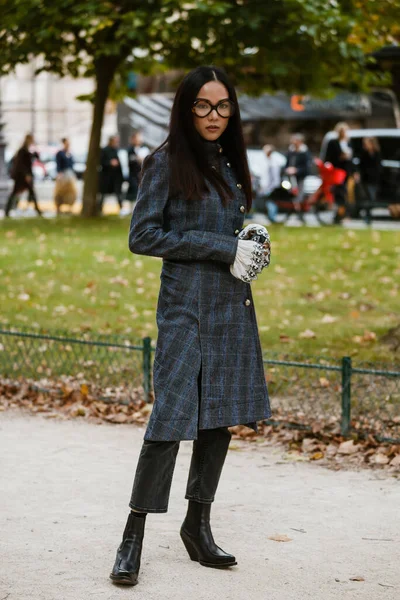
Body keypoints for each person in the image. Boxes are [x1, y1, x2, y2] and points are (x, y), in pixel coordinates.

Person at [110, 65, 271, 587]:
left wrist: (249, 240)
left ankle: (197, 526)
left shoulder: (229, 161)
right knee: (171, 417)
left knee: (217, 417)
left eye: (223, 106)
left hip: (229, 306)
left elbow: (228, 231)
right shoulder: (164, 162)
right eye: (203, 105)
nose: (214, 116)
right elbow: (143, 236)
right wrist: (223, 247)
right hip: (184, 309)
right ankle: (132, 534)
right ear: (185, 107)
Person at [5, 133, 42, 217]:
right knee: (15, 193)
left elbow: (36, 157)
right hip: (22, 177)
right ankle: (7, 210)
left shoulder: (27, 151)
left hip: (25, 176)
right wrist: (26, 175)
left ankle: (38, 210)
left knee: (31, 193)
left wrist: (35, 149)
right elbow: (21, 165)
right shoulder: (22, 151)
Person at [325, 122, 353, 223]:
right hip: (337, 173)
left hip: (346, 173)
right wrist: (340, 158)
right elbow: (328, 158)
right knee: (339, 193)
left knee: (346, 194)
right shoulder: (333, 143)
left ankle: (341, 214)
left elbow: (352, 159)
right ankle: (339, 214)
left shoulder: (349, 143)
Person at [284, 133, 312, 223]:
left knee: (299, 196)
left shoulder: (304, 152)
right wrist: (287, 170)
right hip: (290, 177)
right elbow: (287, 164)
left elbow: (307, 167)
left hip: (300, 178)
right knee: (290, 195)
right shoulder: (290, 151)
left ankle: (300, 214)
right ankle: (290, 212)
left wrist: (296, 170)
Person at [357, 137, 381, 225]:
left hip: (374, 179)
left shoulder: (377, 153)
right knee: (367, 198)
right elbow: (361, 166)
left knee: (372, 198)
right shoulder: (364, 154)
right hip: (366, 179)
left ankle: (368, 215)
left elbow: (379, 166)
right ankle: (368, 216)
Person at [259, 144, 284, 223]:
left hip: (271, 187)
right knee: (268, 202)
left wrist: (270, 188)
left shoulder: (274, 163)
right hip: (266, 186)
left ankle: (272, 217)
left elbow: (275, 178)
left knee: (271, 202)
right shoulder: (266, 161)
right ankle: (270, 217)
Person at [98, 135, 123, 213]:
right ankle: (99, 209)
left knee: (118, 193)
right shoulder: (104, 150)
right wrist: (110, 163)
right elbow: (101, 162)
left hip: (115, 176)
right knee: (103, 193)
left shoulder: (116, 150)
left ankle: (121, 208)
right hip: (106, 176)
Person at [54, 137, 77, 214]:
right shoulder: (60, 153)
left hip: (70, 175)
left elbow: (71, 165)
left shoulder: (70, 153)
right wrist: (59, 173)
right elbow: (58, 164)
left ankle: (70, 207)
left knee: (71, 192)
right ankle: (58, 207)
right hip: (63, 175)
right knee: (60, 191)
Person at [126, 130, 150, 205]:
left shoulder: (144, 148)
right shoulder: (130, 149)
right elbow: (130, 161)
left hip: (143, 174)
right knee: (133, 190)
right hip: (134, 174)